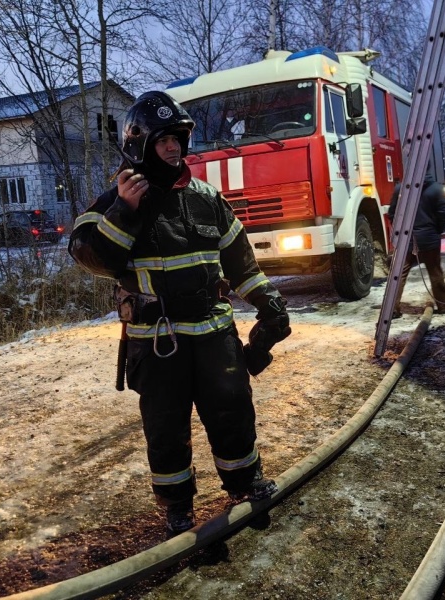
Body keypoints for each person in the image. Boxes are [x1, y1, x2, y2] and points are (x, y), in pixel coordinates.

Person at [68, 91, 291, 537]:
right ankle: (177, 507)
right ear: (141, 143)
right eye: (163, 138)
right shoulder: (118, 199)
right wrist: (125, 211)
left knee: (232, 413)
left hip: (214, 334)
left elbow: (241, 265)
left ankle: (245, 485)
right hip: (157, 341)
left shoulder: (207, 198)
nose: (174, 147)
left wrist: (269, 301)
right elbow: (89, 257)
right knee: (166, 428)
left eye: (179, 138)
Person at [390, 173, 445, 316]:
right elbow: (444, 213)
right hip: (429, 239)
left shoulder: (400, 188)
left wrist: (400, 232)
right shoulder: (436, 189)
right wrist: (436, 230)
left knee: (399, 274)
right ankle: (443, 305)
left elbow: (392, 214)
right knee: (435, 273)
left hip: (407, 239)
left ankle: (392, 308)